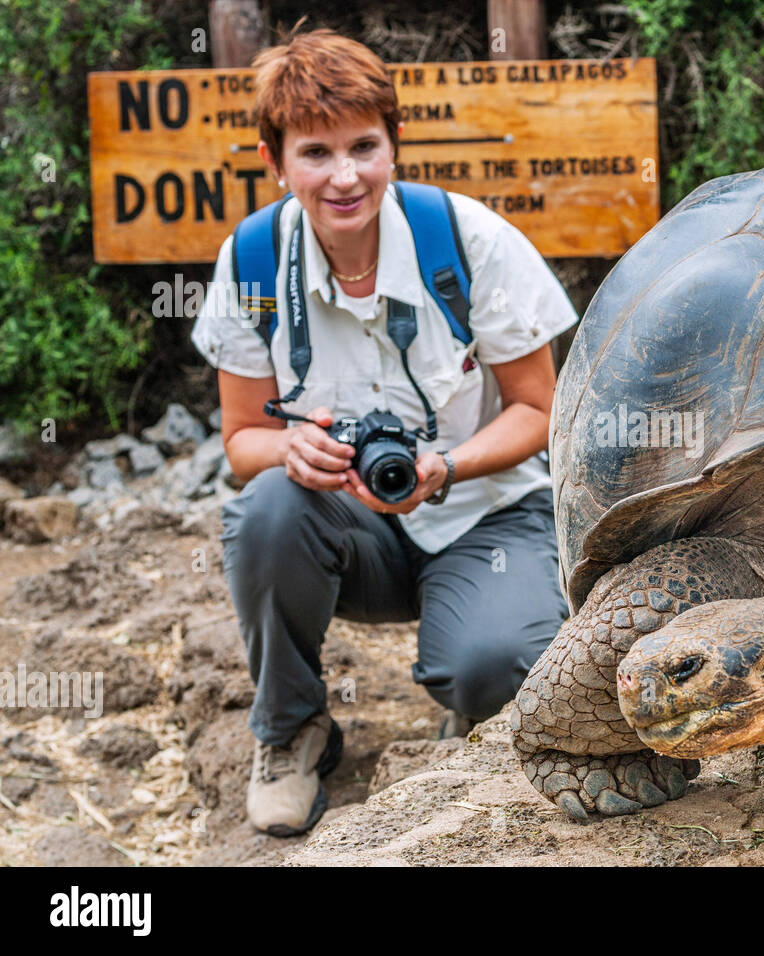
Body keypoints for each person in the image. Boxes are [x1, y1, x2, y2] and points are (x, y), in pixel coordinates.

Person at [190, 28, 575, 837]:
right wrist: (291, 449)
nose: (344, 176)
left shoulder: (469, 243)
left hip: (483, 513)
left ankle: (470, 703)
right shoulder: (255, 263)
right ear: (274, 159)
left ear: (394, 143)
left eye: (365, 146)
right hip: (344, 529)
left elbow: (540, 414)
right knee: (265, 507)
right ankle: (291, 729)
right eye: (315, 153)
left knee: (499, 667)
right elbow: (239, 441)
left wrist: (446, 465)